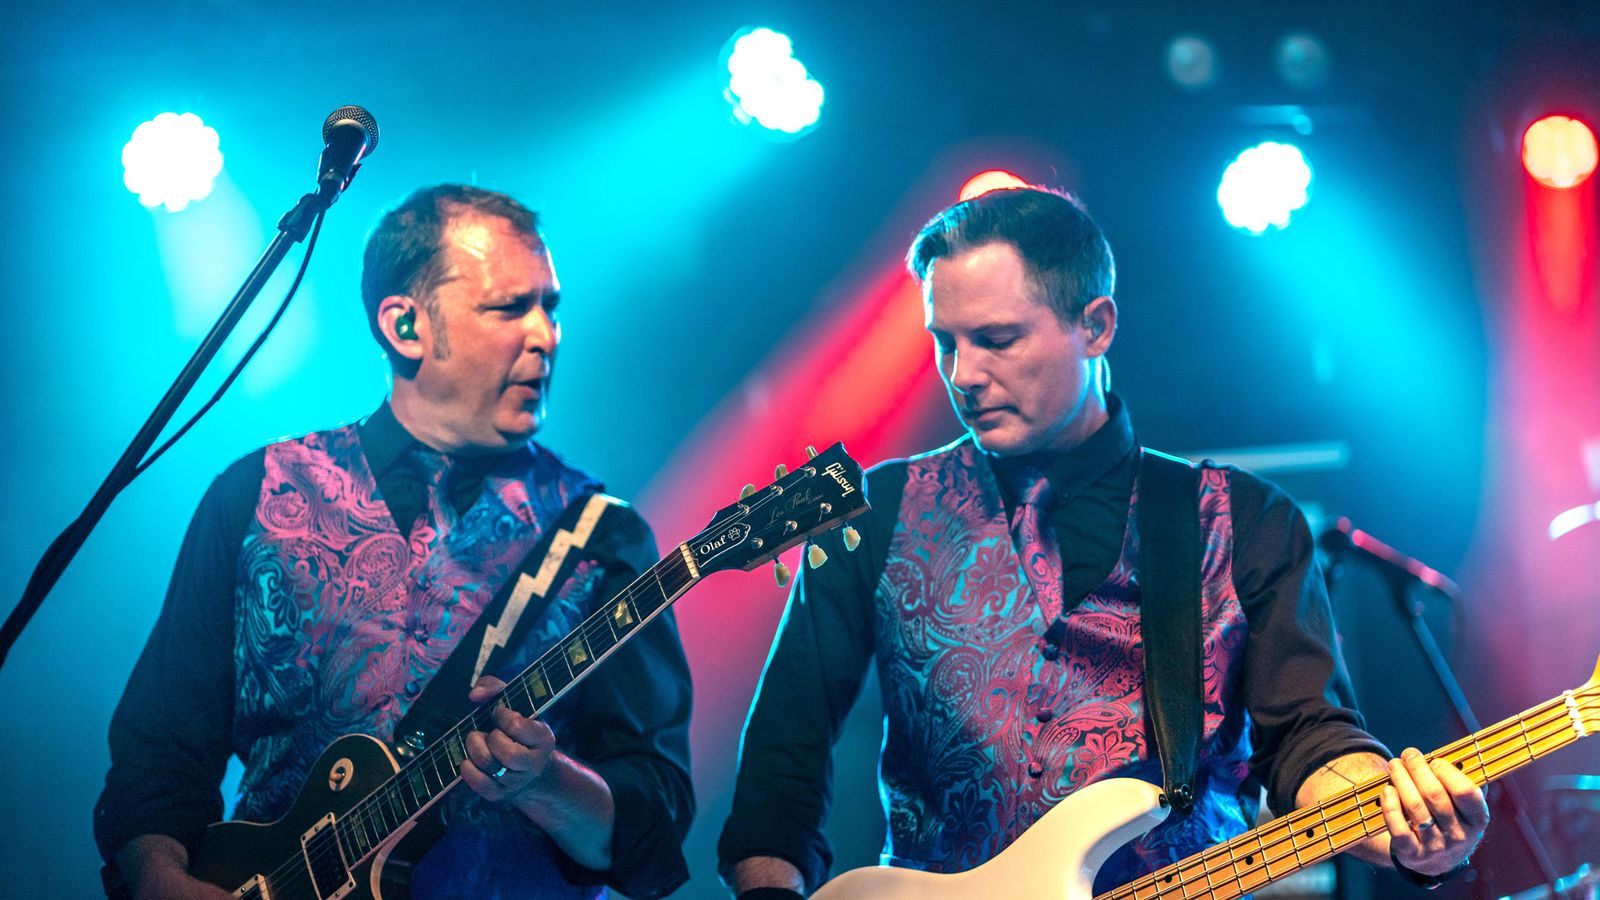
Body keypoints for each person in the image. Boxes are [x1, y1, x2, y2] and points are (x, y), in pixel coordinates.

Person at [718, 186, 1486, 897]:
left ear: (1096, 325)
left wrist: (1406, 826)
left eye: (996, 339)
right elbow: (783, 760)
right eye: (945, 342)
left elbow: (1308, 738)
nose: (963, 374)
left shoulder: (1242, 520)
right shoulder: (876, 510)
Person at [94, 185, 694, 900]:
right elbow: (159, 752)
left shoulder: (602, 536)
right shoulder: (256, 494)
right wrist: (158, 876)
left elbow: (656, 823)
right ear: (406, 325)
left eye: (550, 307)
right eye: (510, 308)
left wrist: (547, 782)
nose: (545, 335)